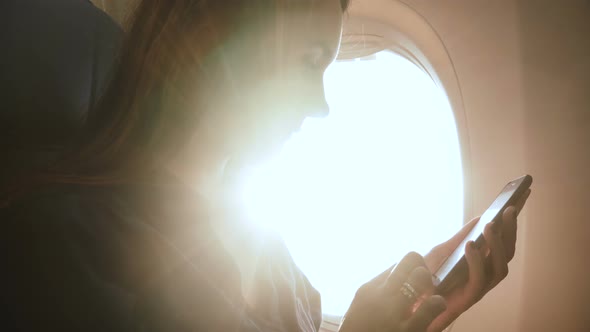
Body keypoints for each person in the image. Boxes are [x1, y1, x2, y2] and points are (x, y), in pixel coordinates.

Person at [0, 0, 531, 331]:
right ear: (219, 42)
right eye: (308, 59)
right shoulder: (61, 242)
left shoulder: (271, 258)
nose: (321, 104)